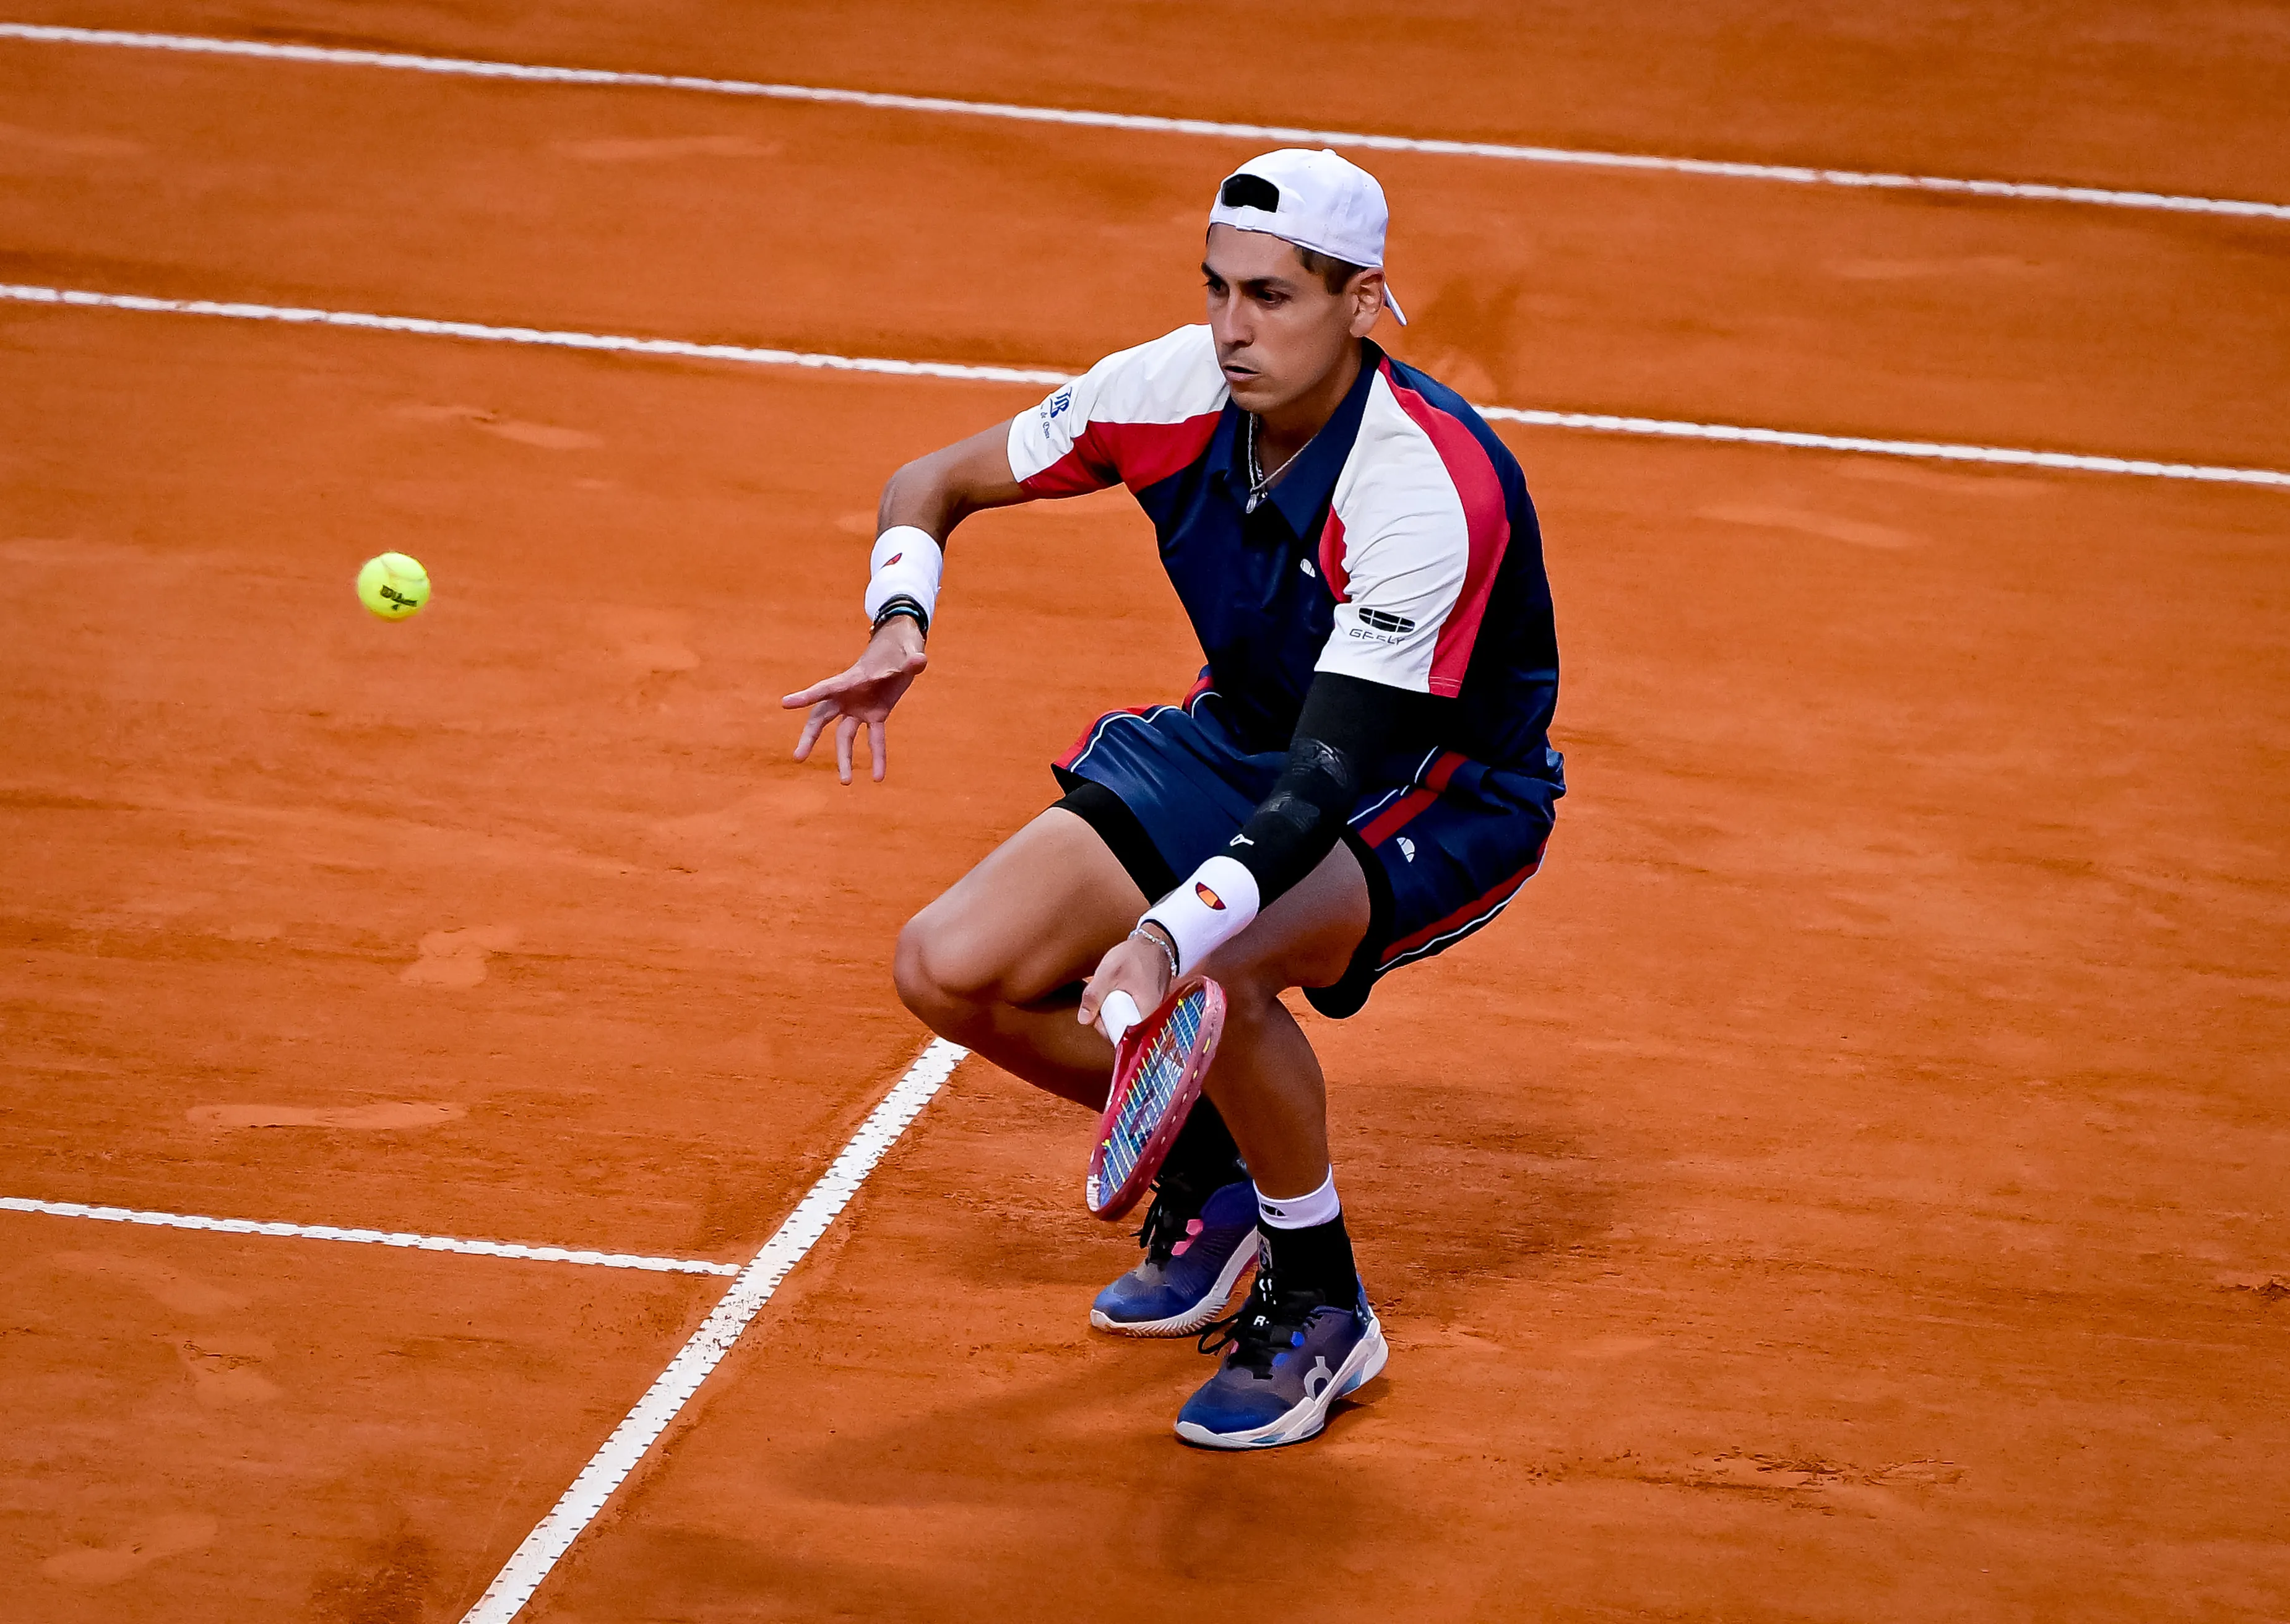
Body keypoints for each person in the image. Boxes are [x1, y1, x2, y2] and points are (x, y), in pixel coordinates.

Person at [783, 148, 1563, 1449]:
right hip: (1243, 737)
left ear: (1362, 301)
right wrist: (898, 616)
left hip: (1427, 786)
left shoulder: (1425, 486)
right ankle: (1217, 1165)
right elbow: (931, 481)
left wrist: (1163, 931)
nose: (1231, 328)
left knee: (1217, 966)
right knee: (946, 966)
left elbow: (1327, 781)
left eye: (1273, 296)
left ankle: (1321, 1300)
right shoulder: (1170, 387)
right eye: (1216, 288)